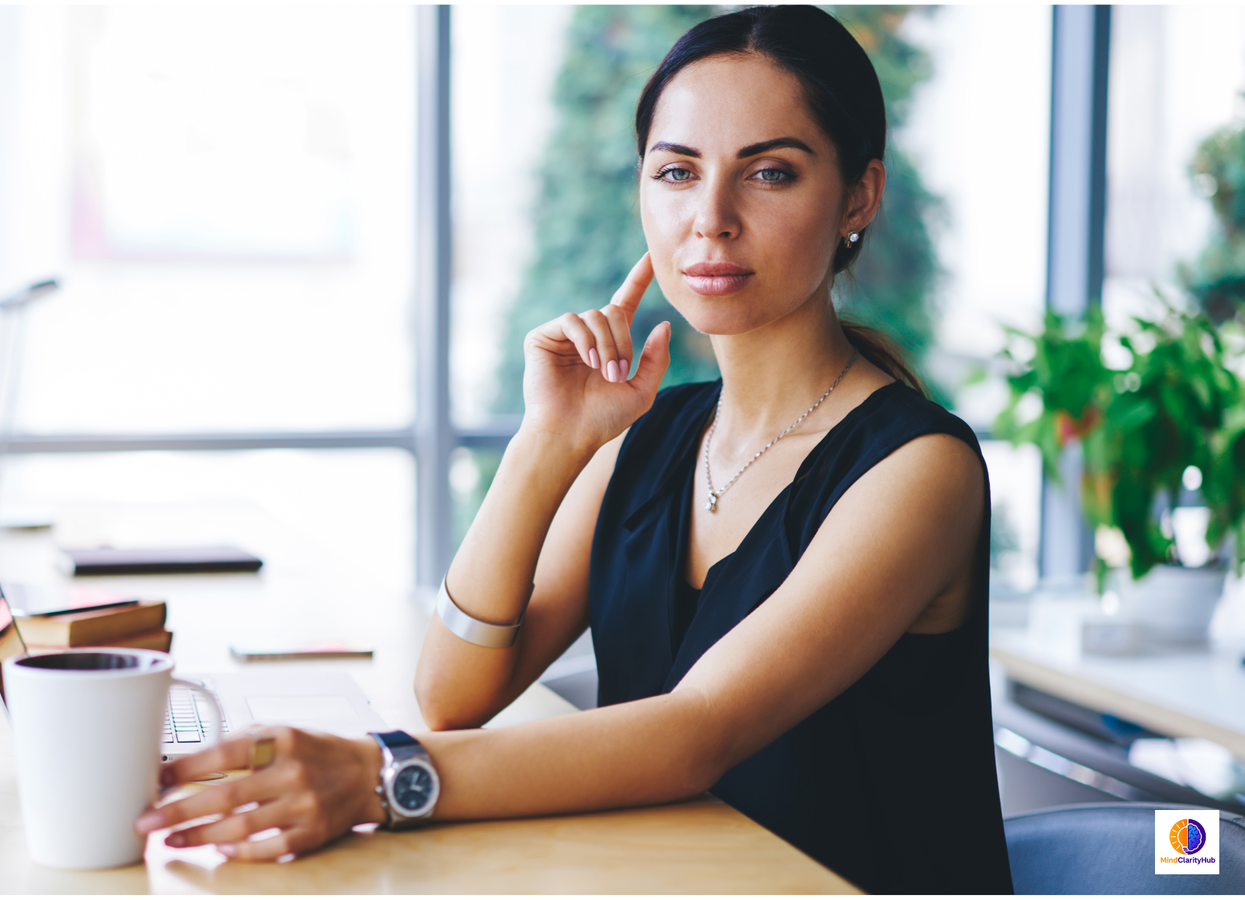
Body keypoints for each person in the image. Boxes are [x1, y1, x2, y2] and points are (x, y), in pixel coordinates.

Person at [136, 6, 1012, 893]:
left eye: (770, 173)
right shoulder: (657, 436)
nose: (709, 218)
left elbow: (696, 731)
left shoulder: (917, 470)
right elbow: (454, 695)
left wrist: (374, 774)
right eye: (677, 172)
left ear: (859, 196)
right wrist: (545, 445)